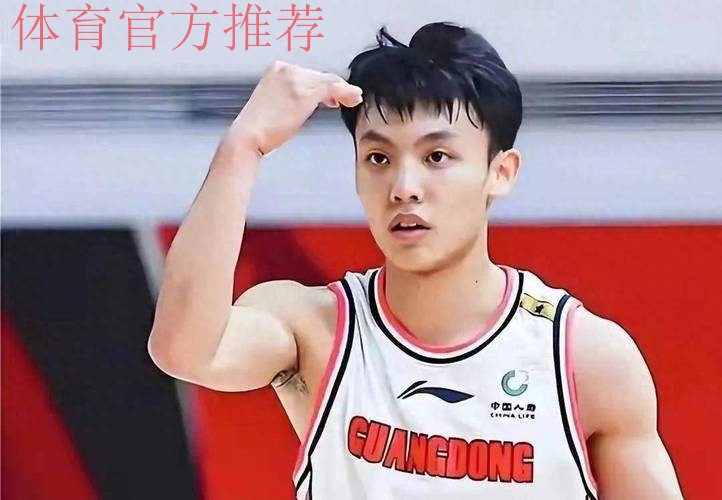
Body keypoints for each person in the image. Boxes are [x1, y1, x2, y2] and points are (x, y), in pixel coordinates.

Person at [148, 22, 683, 499]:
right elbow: (185, 352)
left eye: (436, 157)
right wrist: (244, 145)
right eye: (378, 157)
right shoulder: (312, 327)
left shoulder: (585, 357)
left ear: (501, 171)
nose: (404, 187)